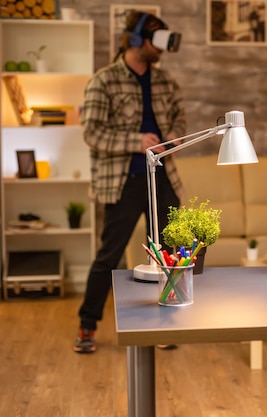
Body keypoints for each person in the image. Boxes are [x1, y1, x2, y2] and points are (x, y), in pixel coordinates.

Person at [74, 11, 186, 353]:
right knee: (110, 255)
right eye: (157, 38)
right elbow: (91, 133)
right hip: (123, 182)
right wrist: (134, 141)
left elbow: (180, 118)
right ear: (136, 39)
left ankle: (167, 323)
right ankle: (87, 326)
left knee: (169, 256)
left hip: (162, 179)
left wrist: (176, 138)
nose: (162, 48)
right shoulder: (103, 81)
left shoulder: (167, 82)